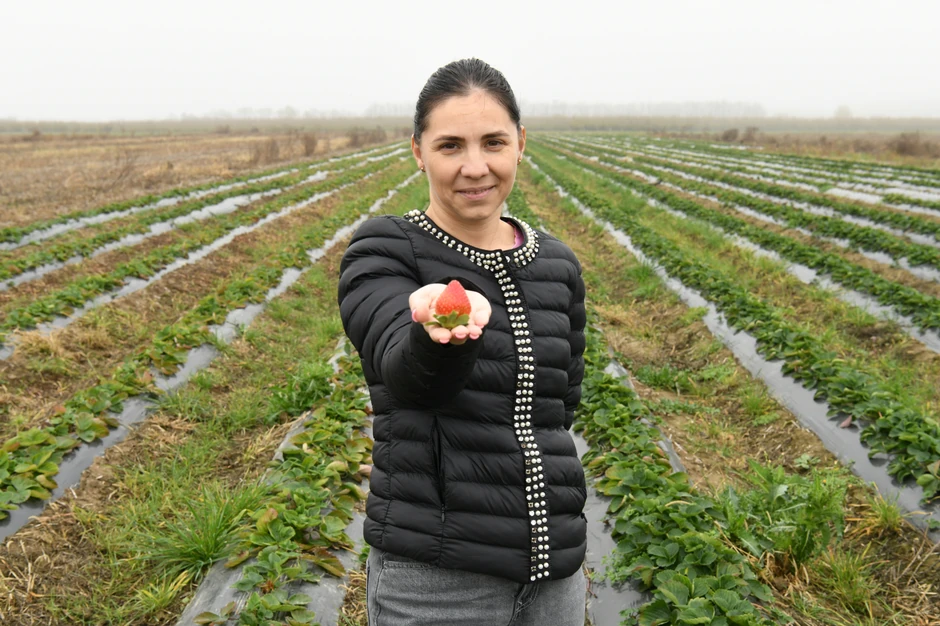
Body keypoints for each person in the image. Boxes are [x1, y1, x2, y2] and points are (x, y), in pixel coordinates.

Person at [337, 58, 588, 626]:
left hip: (556, 576)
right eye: (450, 146)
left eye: (493, 142)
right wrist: (438, 333)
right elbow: (409, 379)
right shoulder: (385, 251)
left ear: (520, 144)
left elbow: (561, 405)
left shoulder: (556, 263)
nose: (475, 167)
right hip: (437, 581)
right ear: (418, 152)